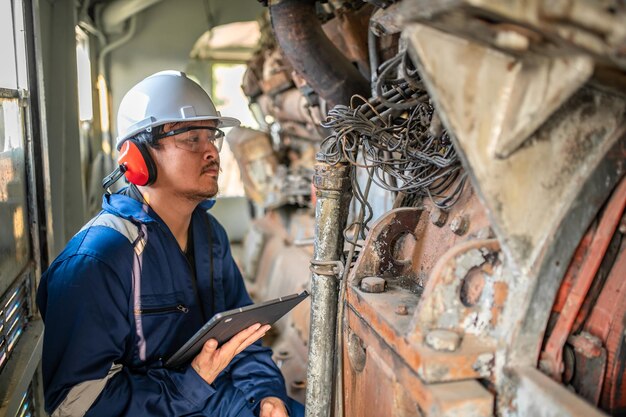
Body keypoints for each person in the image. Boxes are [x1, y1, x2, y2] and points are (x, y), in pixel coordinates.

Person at [36, 71, 303, 417]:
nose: (211, 151)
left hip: (212, 399)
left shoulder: (210, 235)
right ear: (137, 159)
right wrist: (191, 384)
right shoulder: (97, 261)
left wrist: (266, 396)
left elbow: (242, 337)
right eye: (191, 138)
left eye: (213, 137)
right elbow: (75, 405)